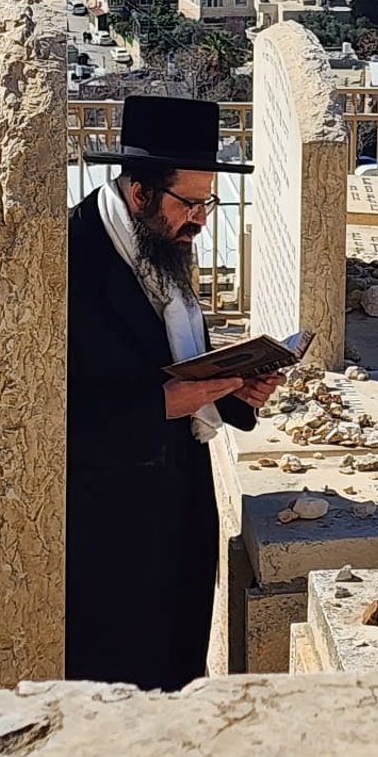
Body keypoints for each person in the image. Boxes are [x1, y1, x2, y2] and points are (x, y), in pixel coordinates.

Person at [66, 95, 282, 691]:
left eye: (209, 202)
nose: (202, 219)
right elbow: (51, 410)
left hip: (181, 503)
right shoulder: (71, 260)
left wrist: (240, 389)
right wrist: (162, 405)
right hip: (108, 536)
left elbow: (183, 361)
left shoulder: (162, 245)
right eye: (190, 203)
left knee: (180, 674)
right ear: (139, 193)